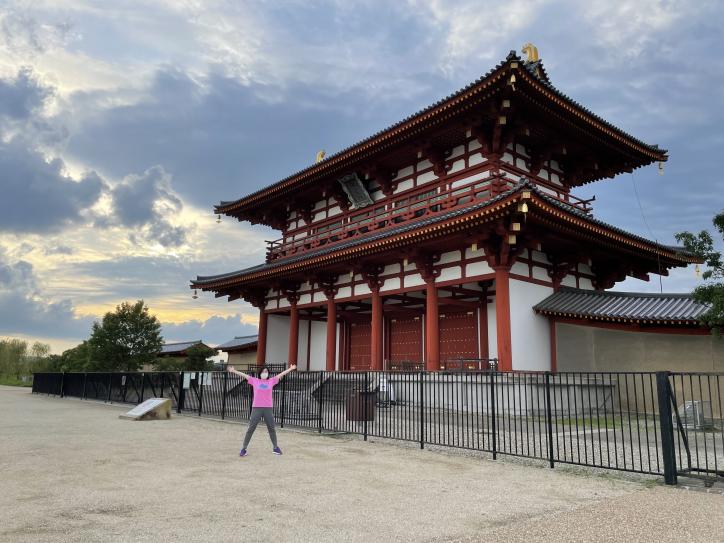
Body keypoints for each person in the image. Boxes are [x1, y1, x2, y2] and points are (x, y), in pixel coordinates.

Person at [227, 364, 297, 456]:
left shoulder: (271, 381)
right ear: (260, 373)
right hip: (257, 408)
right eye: (263, 371)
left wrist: (290, 369)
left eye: (266, 372)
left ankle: (275, 447)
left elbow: (281, 374)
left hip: (268, 408)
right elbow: (244, 375)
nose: (265, 373)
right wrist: (234, 371)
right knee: (251, 428)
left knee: (271, 428)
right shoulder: (254, 380)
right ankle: (244, 448)